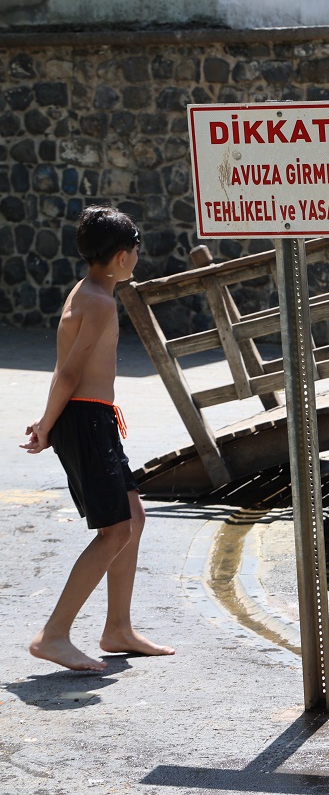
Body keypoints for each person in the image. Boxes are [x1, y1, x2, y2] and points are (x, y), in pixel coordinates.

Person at [21, 205, 175, 672]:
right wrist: (47, 424)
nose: (135, 257)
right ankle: (54, 634)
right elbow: (68, 372)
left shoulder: (89, 289)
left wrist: (52, 420)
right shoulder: (100, 301)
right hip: (86, 421)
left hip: (95, 419)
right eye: (134, 249)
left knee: (133, 516)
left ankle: (118, 629)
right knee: (116, 531)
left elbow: (68, 368)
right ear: (123, 256)